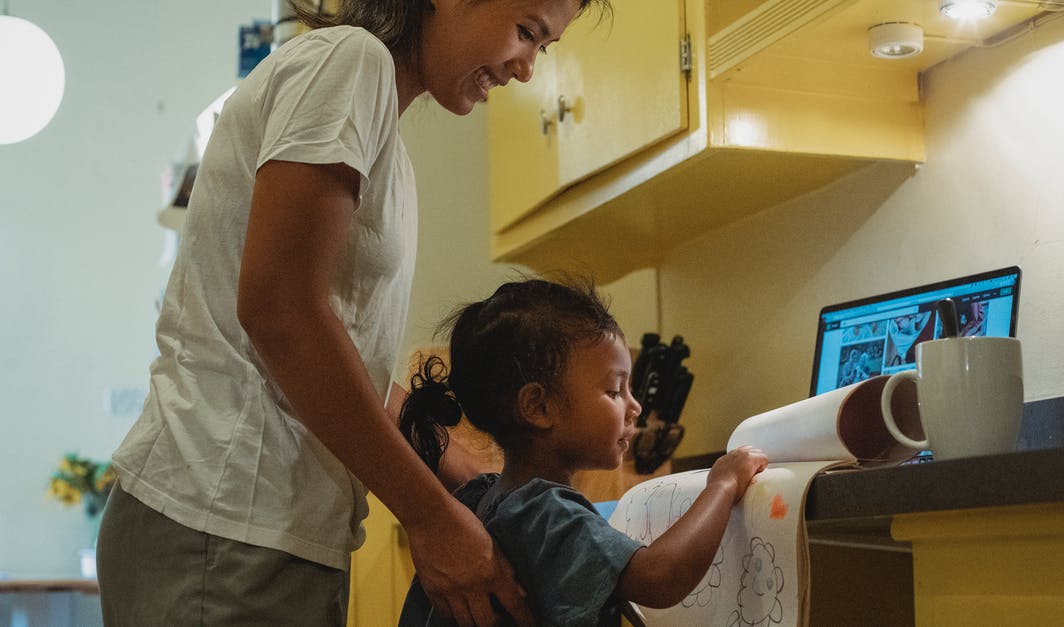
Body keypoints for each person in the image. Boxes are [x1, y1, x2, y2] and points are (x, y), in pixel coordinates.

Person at [96, 1, 606, 625]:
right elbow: (282, 313)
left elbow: (343, 362)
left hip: (260, 528)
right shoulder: (350, 62)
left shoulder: (384, 138)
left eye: (543, 47)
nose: (526, 69)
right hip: (226, 519)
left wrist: (472, 490)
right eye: (526, 32)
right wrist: (430, 515)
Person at [395, 278, 769, 626]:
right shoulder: (546, 513)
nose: (634, 407)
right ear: (539, 407)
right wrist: (722, 483)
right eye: (614, 391)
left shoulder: (478, 500)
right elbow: (661, 576)